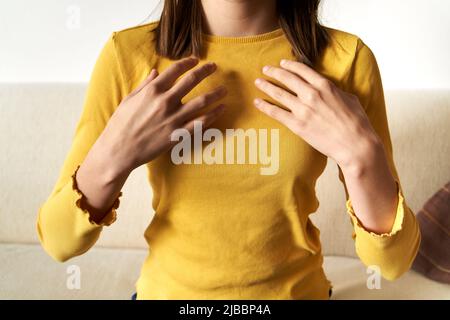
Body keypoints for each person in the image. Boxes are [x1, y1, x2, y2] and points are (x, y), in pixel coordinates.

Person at [36, 0, 421, 299]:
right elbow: (58, 241)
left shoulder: (346, 60)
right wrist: (111, 158)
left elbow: (392, 262)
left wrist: (362, 158)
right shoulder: (128, 55)